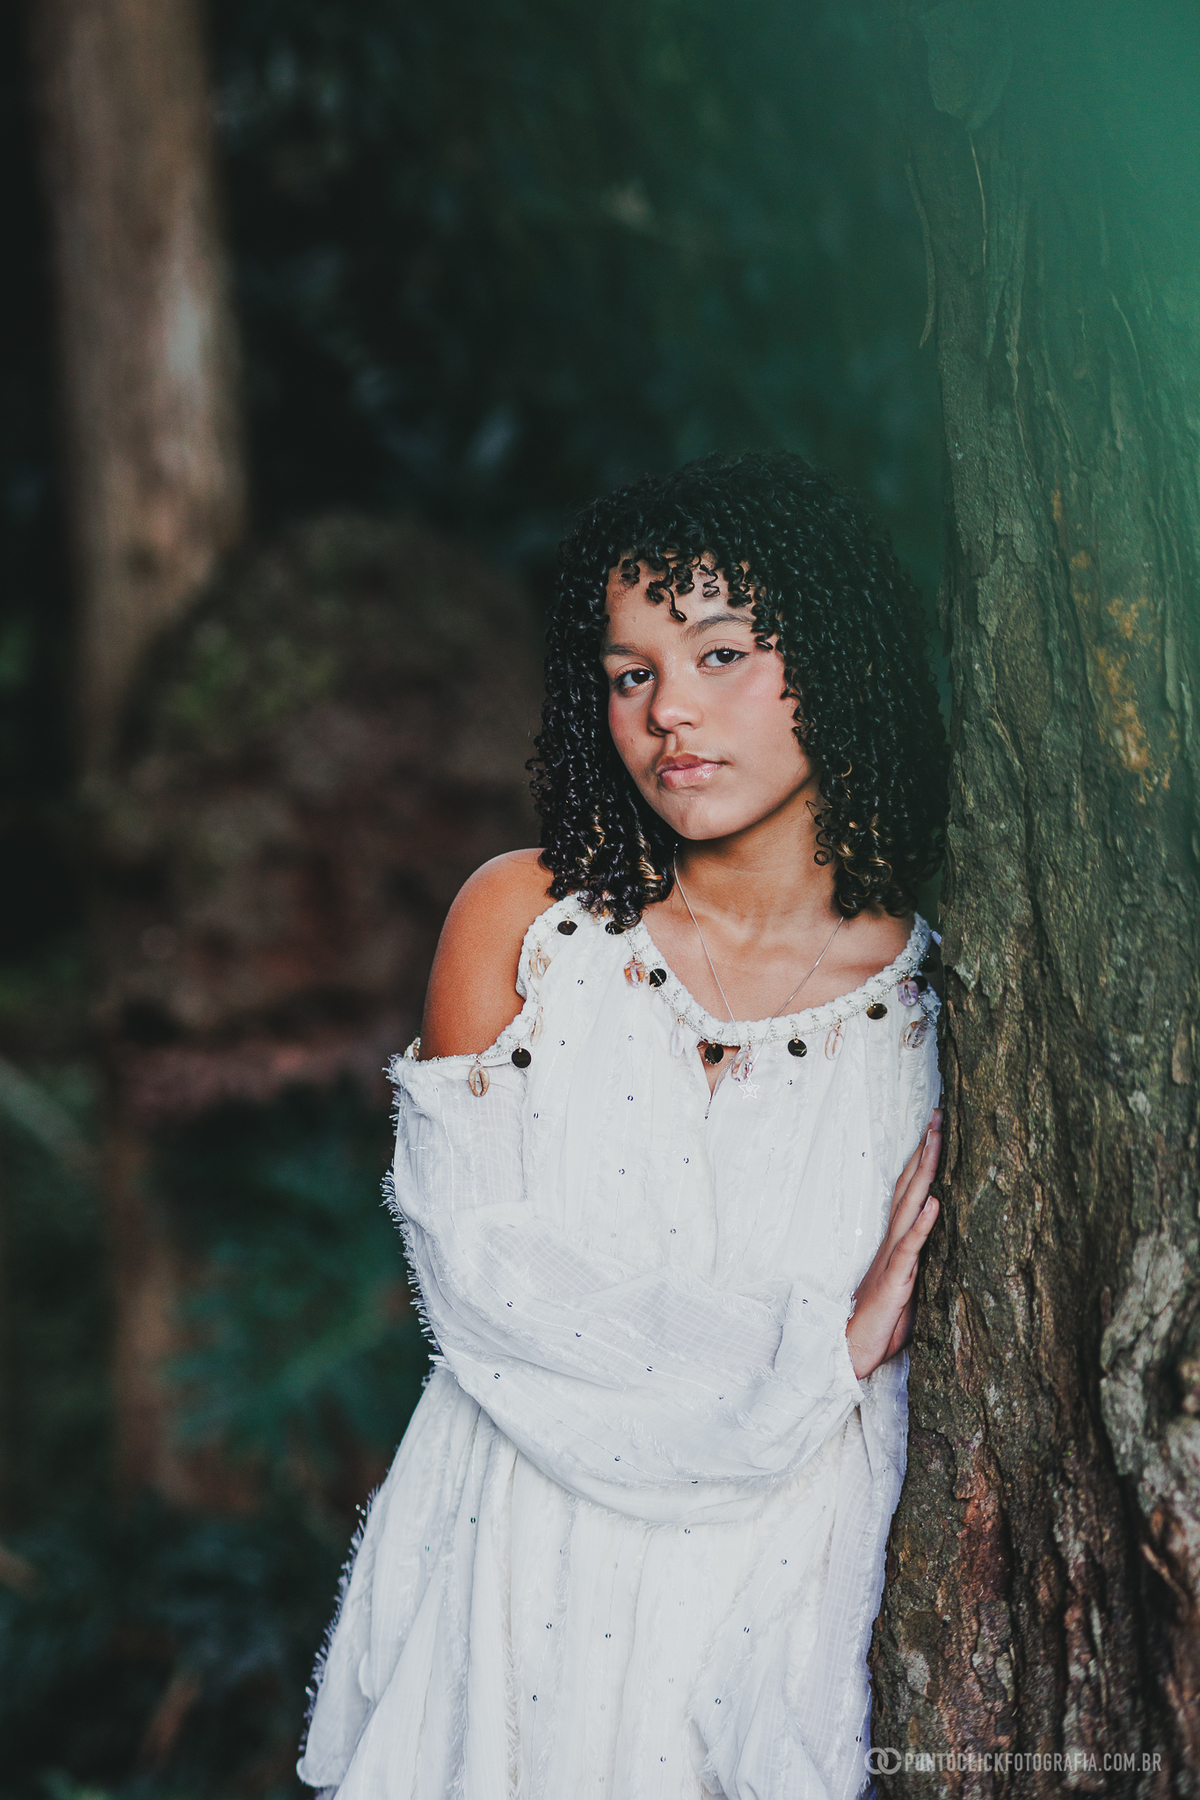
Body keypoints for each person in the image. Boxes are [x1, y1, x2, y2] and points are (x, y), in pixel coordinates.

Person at [298, 450, 948, 1800]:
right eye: (631, 672)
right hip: (523, 1563)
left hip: (780, 1586)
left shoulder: (947, 994)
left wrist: (824, 1376)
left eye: (719, 655)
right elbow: (481, 1285)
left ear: (834, 658)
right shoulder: (526, 927)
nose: (669, 714)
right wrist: (812, 1354)